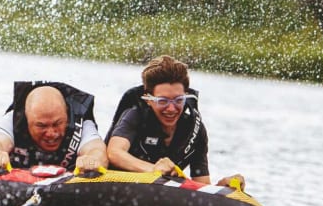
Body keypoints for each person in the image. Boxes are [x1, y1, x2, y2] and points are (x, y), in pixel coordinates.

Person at [105, 55, 245, 190]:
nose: (171, 109)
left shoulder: (195, 129)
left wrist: (222, 187)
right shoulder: (135, 114)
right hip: (119, 188)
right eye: (163, 101)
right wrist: (152, 169)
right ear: (148, 99)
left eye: (178, 100)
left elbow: (202, 186)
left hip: (160, 197)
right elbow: (114, 153)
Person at [0, 81, 107, 172]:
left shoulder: (81, 121)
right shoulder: (14, 118)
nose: (51, 133)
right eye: (41, 126)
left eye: (57, 123)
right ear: (27, 119)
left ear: (67, 116)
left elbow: (96, 148)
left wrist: (92, 159)